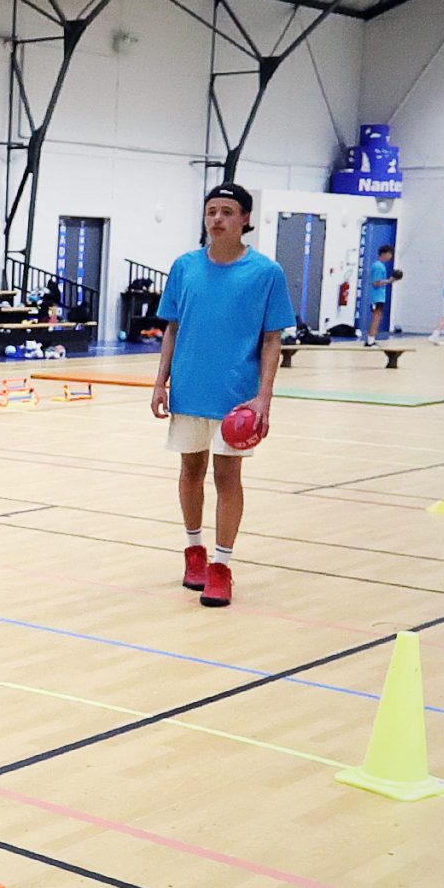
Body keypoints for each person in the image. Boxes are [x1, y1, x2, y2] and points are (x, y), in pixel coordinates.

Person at [149, 182, 295, 608]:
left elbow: (272, 340)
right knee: (190, 471)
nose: (217, 219)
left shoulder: (266, 273)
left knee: (228, 479)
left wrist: (264, 397)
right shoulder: (185, 267)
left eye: (227, 212)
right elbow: (172, 328)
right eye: (211, 211)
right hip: (189, 389)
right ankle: (194, 552)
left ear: (245, 218)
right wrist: (160, 381)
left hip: (237, 399)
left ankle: (221, 567)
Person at [363, 242, 401, 343]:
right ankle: (370, 340)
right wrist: (390, 280)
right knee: (376, 317)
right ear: (384, 254)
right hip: (376, 296)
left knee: (378, 317)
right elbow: (376, 282)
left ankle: (371, 339)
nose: (390, 256)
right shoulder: (379, 266)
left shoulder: (379, 266)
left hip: (379, 296)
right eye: (389, 254)